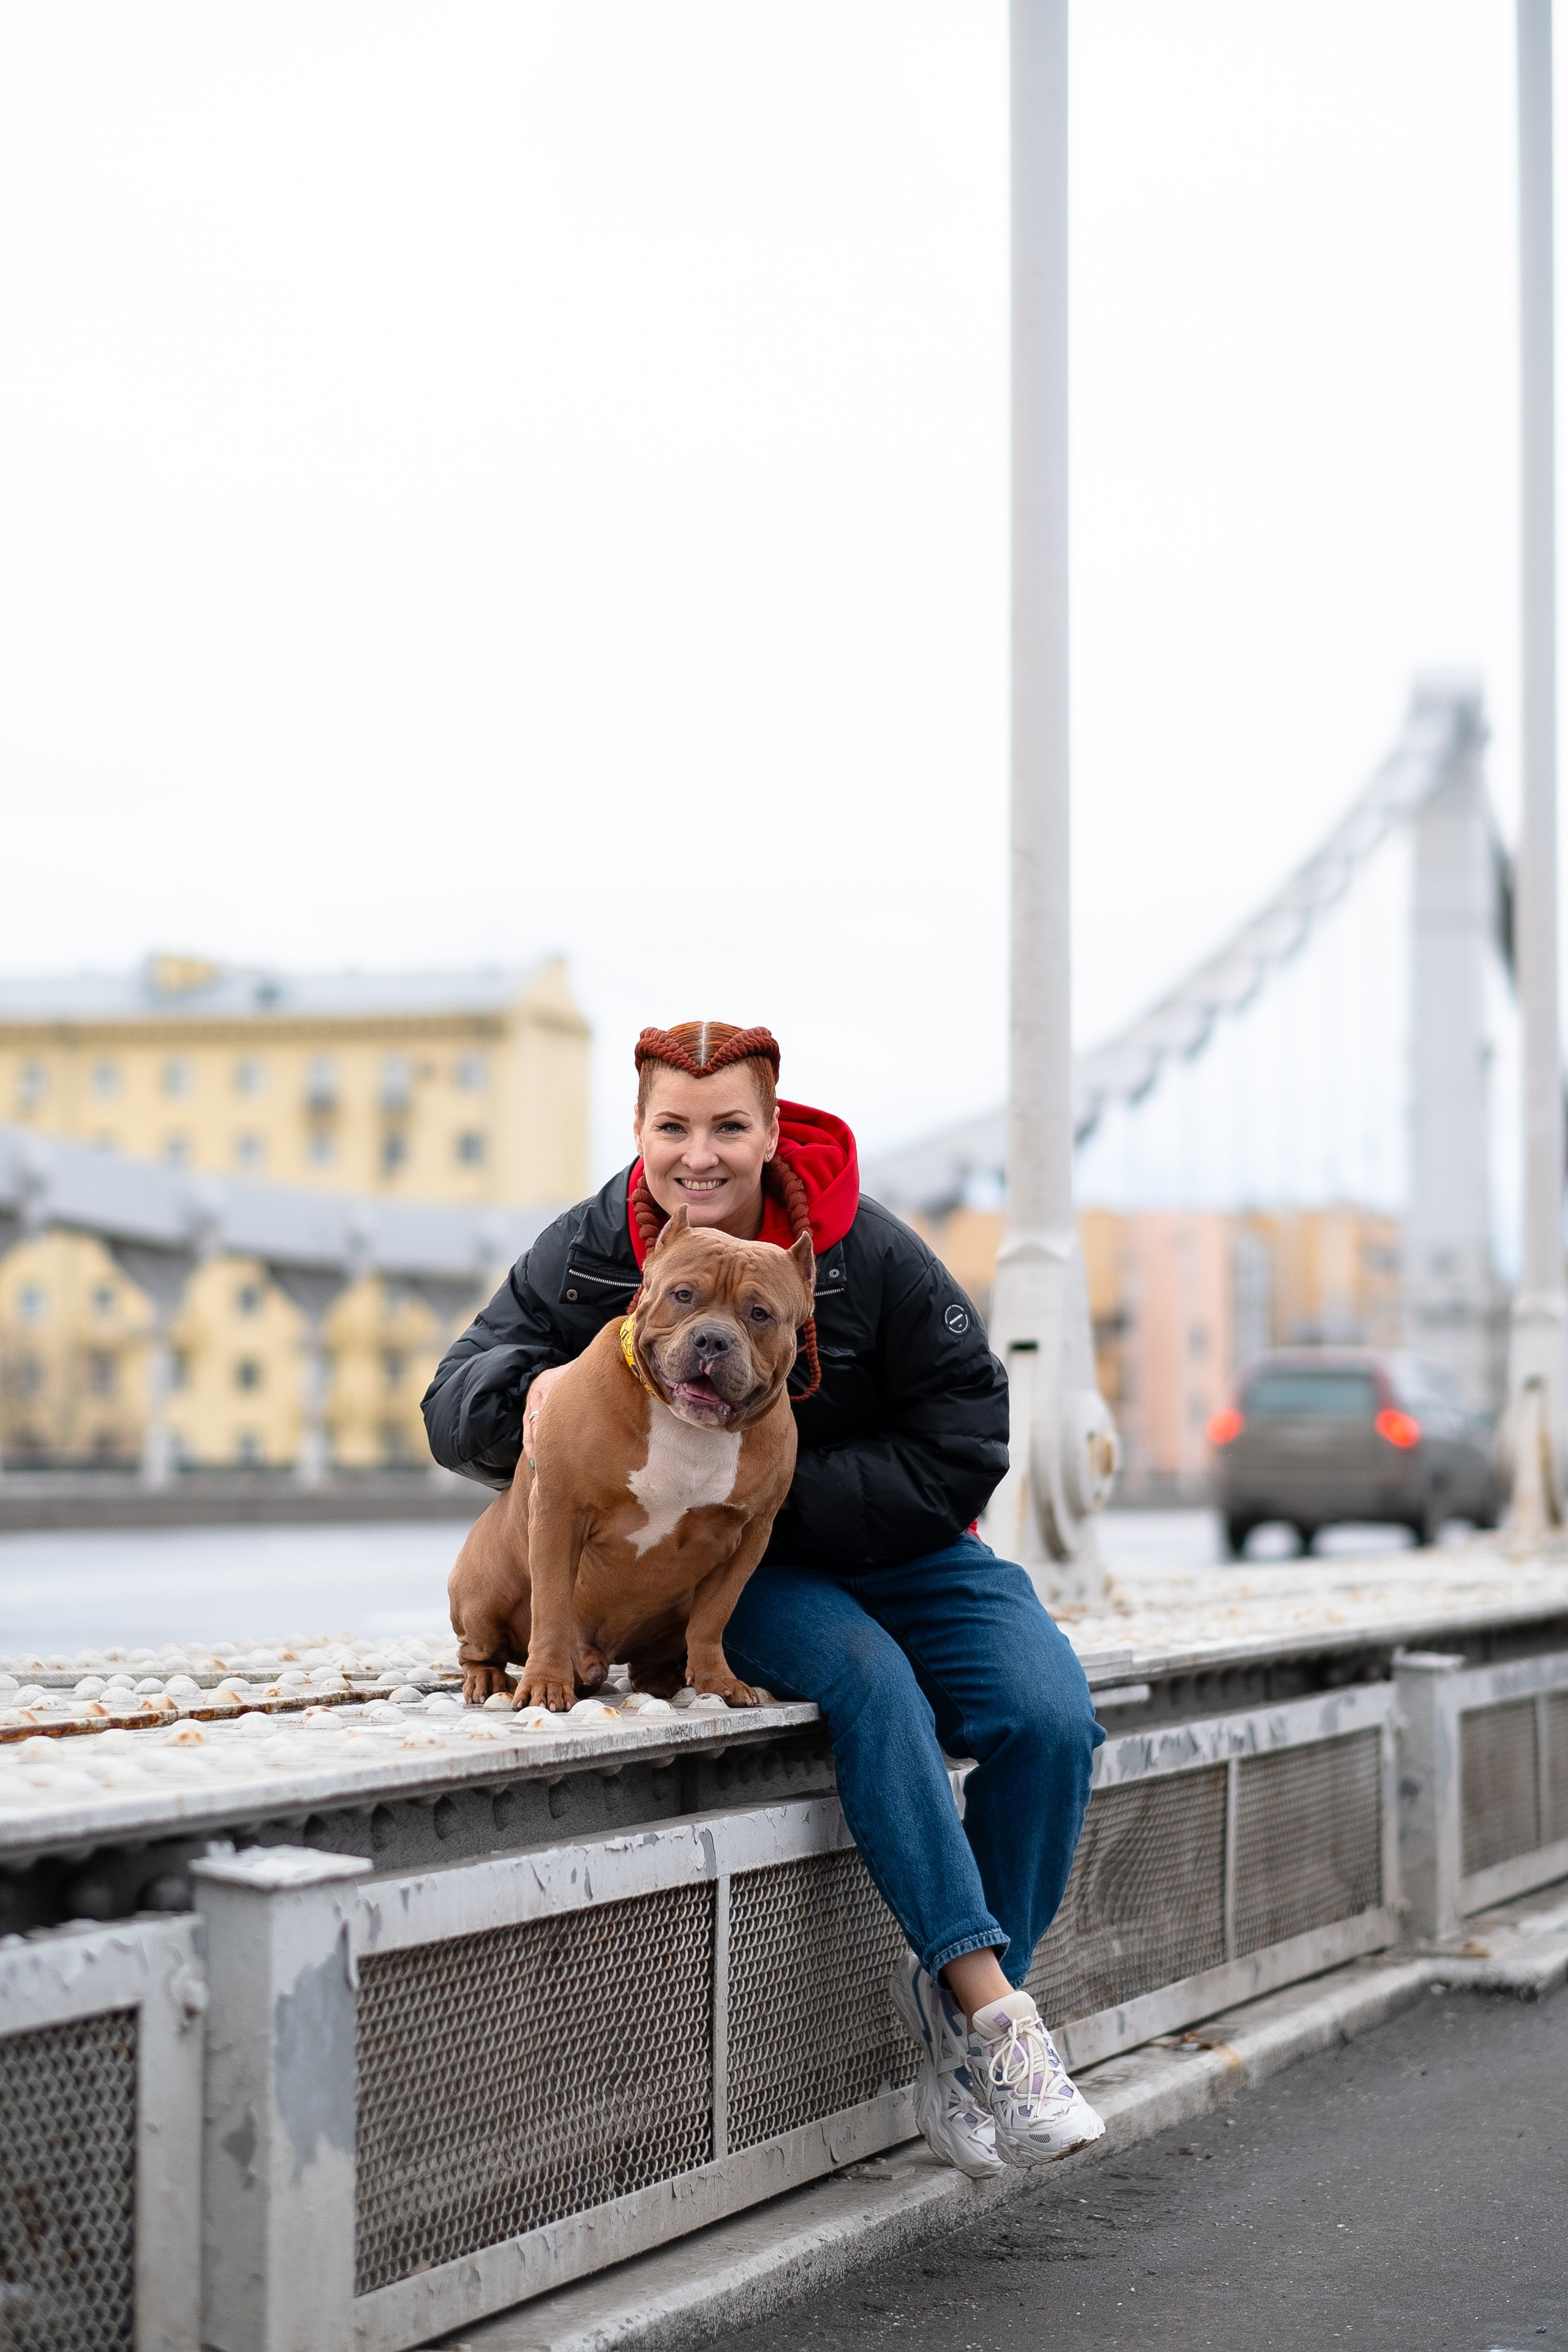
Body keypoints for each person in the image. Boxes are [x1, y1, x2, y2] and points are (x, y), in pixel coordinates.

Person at [422, 1019, 1106, 2175]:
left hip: (896, 1540)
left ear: (770, 1130)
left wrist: (770, 1484)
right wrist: (522, 1397)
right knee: (874, 1691)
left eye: (730, 1126)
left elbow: (968, 1431)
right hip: (743, 1571)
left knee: (1051, 1717)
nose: (701, 1153)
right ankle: (997, 2022)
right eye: (673, 1127)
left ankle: (951, 2013)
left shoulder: (867, 1252)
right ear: (639, 1134)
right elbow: (455, 1395)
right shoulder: (593, 1251)